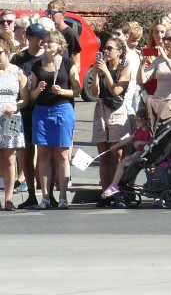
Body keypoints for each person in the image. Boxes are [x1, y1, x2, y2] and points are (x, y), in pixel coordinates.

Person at [29, 31, 81, 209]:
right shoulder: (38, 66)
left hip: (62, 109)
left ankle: (64, 197)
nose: (46, 45)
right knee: (43, 154)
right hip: (42, 111)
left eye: (50, 43)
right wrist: (39, 89)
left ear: (60, 45)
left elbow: (77, 90)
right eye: (45, 42)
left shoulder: (68, 64)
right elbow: (32, 95)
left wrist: (62, 92)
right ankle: (45, 197)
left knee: (62, 155)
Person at [90, 35, 133, 192]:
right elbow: (94, 92)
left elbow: (116, 91)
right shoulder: (101, 68)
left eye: (110, 48)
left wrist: (107, 72)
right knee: (103, 156)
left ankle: (116, 190)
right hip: (101, 110)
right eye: (104, 48)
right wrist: (95, 73)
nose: (106, 51)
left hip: (116, 111)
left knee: (117, 155)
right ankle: (105, 192)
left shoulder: (125, 70)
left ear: (119, 52)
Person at [11, 23, 45, 208]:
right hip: (25, 110)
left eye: (44, 36)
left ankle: (47, 194)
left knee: (47, 151)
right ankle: (31, 193)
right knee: (26, 150)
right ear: (29, 37)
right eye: (39, 37)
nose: (42, 40)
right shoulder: (19, 59)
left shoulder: (49, 57)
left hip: (45, 108)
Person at [0, 32, 28, 211]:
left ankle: (9, 198)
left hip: (10, 117)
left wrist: (16, 106)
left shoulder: (18, 72)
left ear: (7, 52)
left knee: (10, 159)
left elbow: (25, 99)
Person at [99, 113, 154, 199]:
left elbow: (152, 142)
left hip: (145, 155)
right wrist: (116, 146)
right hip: (139, 154)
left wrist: (140, 143)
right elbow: (128, 139)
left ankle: (114, 186)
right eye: (136, 119)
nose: (136, 122)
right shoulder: (138, 131)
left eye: (139, 120)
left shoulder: (150, 132)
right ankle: (118, 184)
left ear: (147, 121)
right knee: (124, 162)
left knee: (122, 163)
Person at [46, 0, 82, 72]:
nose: (49, 16)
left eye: (53, 13)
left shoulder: (70, 33)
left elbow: (76, 64)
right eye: (48, 12)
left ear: (62, 14)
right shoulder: (50, 32)